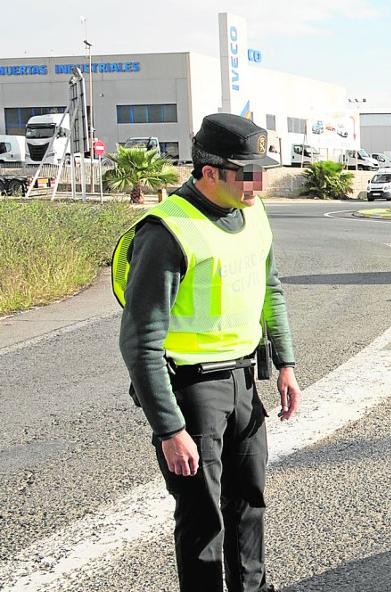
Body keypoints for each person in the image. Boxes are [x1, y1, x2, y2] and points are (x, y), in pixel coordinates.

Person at [113, 113, 300, 592]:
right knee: (203, 521)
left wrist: (285, 363)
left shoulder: (253, 212)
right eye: (247, 172)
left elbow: (270, 289)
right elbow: (139, 340)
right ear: (210, 171)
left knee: (249, 505)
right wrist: (170, 428)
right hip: (192, 392)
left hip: (243, 383)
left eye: (262, 170)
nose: (258, 182)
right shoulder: (166, 231)